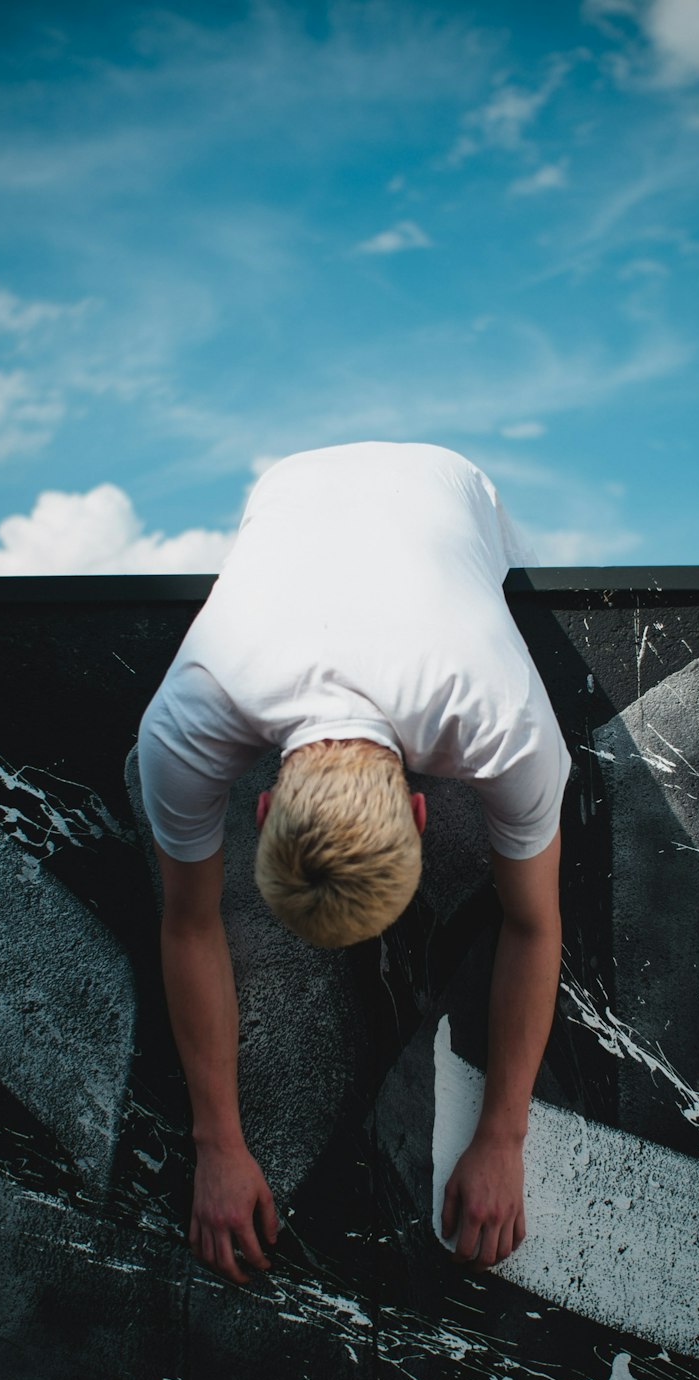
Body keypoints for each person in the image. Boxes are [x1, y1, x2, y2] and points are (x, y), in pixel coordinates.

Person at [138, 441, 570, 1284]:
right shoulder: (187, 721)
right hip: (286, 488)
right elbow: (187, 926)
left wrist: (503, 1137)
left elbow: (535, 922)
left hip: (450, 480)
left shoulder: (500, 715)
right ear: (263, 809)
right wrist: (216, 1143)